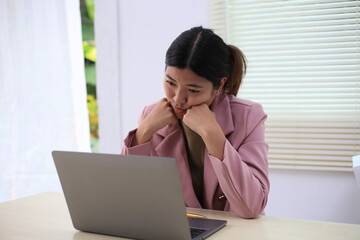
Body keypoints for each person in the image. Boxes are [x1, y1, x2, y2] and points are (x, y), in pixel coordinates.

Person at [122, 26, 269, 218]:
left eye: (192, 90)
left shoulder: (249, 116)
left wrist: (212, 135)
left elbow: (252, 207)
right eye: (170, 83)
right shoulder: (151, 115)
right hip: (178, 230)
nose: (178, 99)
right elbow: (128, 197)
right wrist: (144, 132)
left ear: (220, 85)